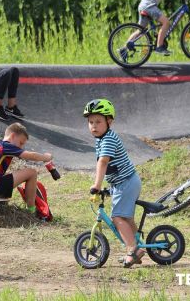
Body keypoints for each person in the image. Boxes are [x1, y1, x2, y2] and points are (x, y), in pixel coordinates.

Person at [83, 99, 144, 268]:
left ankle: (132, 249)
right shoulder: (102, 139)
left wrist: (96, 185)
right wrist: (108, 187)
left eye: (98, 121)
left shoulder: (108, 139)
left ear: (109, 121)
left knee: (117, 218)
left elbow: (103, 162)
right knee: (126, 217)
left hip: (126, 182)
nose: (94, 126)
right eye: (90, 122)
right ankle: (138, 245)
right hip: (125, 182)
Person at [0, 123, 52, 214]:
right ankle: (31, 211)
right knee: (32, 172)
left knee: (6, 176)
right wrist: (46, 157)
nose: (21, 147)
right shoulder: (6, 146)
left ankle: (5, 202)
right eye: (21, 143)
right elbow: (31, 156)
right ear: (12, 136)